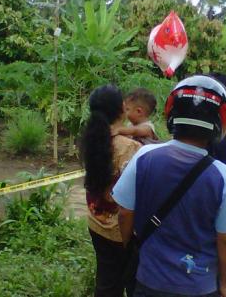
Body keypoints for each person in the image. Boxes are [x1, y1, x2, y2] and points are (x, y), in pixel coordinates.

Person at [113, 75, 226, 297]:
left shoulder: (144, 156)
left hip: (149, 280)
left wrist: (130, 248)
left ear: (171, 113)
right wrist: (223, 283)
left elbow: (125, 213)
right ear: (220, 122)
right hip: (199, 287)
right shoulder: (223, 176)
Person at [82, 85, 142, 296]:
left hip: (96, 221)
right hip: (121, 230)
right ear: (122, 108)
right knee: (128, 283)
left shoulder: (91, 139)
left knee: (106, 281)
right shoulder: (129, 147)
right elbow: (133, 198)